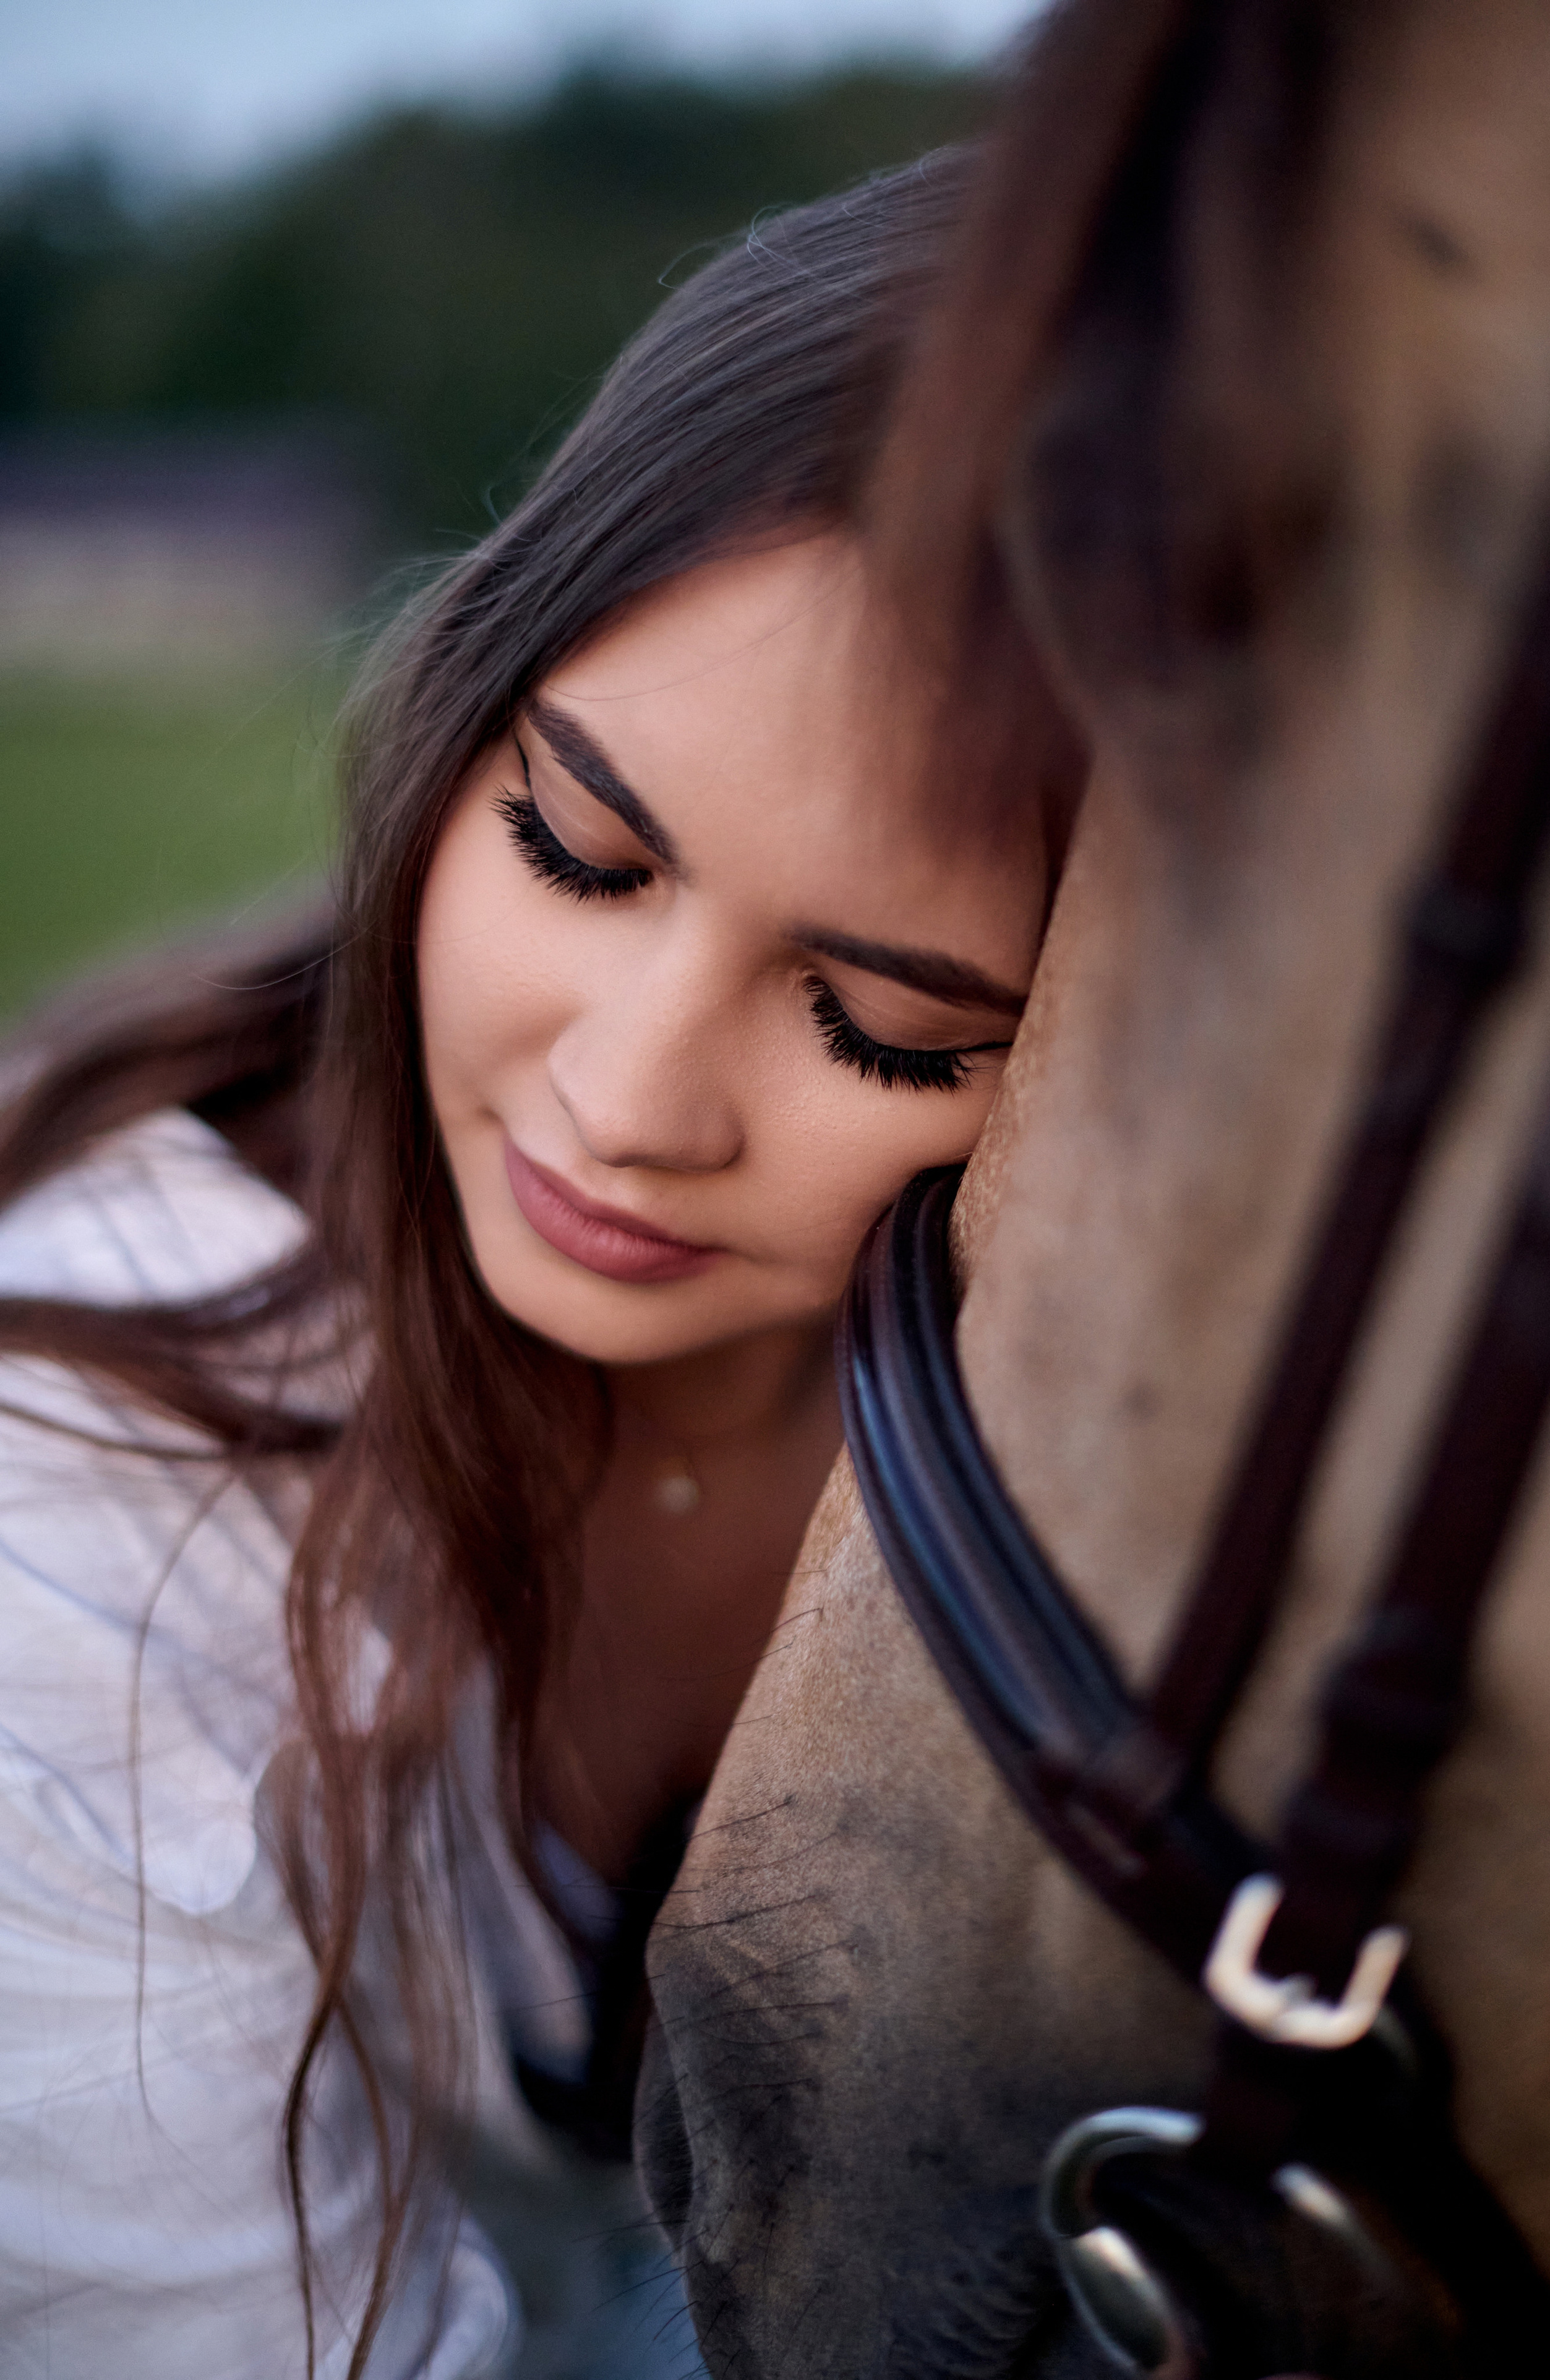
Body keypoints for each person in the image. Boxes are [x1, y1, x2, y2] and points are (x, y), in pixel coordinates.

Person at [0, 154, 1071, 2378]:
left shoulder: (1159, 1450)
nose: (631, 1098)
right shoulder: (66, 1585)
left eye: (888, 1025)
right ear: (457, 707)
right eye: (576, 851)